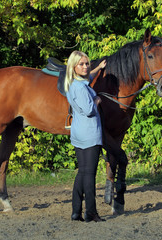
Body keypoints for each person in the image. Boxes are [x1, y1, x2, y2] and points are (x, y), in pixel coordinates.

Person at [64, 50, 106, 222]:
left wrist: (98, 68)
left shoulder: (74, 83)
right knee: (90, 174)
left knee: (82, 172)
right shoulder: (80, 88)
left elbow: (87, 78)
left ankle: (76, 211)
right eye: (81, 64)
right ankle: (91, 212)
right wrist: (96, 101)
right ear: (74, 67)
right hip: (89, 134)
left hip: (78, 133)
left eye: (87, 63)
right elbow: (89, 110)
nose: (86, 66)